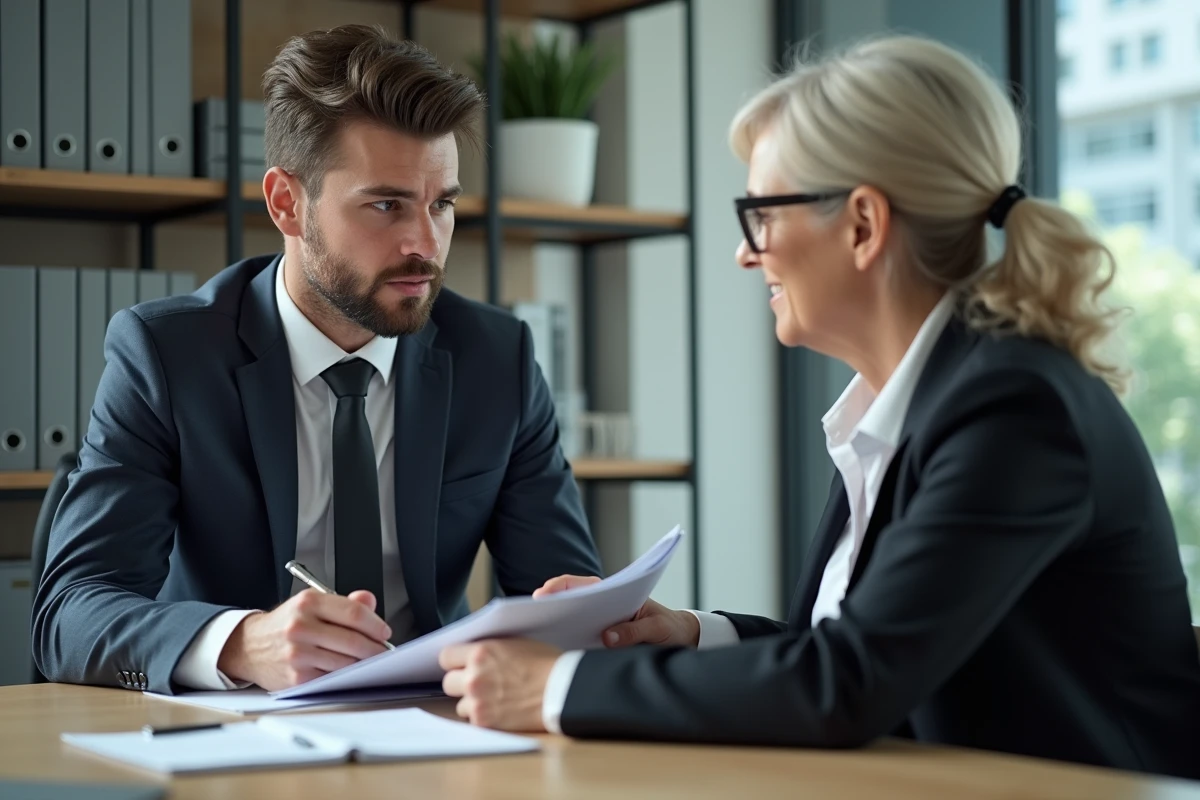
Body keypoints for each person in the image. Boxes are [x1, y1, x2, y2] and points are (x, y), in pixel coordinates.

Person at [437, 35, 1200, 778]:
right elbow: (851, 648)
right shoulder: (914, 400)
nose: (746, 251)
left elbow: (849, 683)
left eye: (761, 215)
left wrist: (553, 688)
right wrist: (691, 636)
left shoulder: (1013, 409)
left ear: (864, 225)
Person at [31, 24, 601, 695]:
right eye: (386, 205)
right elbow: (70, 614)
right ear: (286, 204)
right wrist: (242, 642)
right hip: (232, 745)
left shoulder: (496, 358)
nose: (426, 243)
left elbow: (562, 597)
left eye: (441, 204)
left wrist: (580, 615)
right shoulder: (167, 356)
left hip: (440, 733)